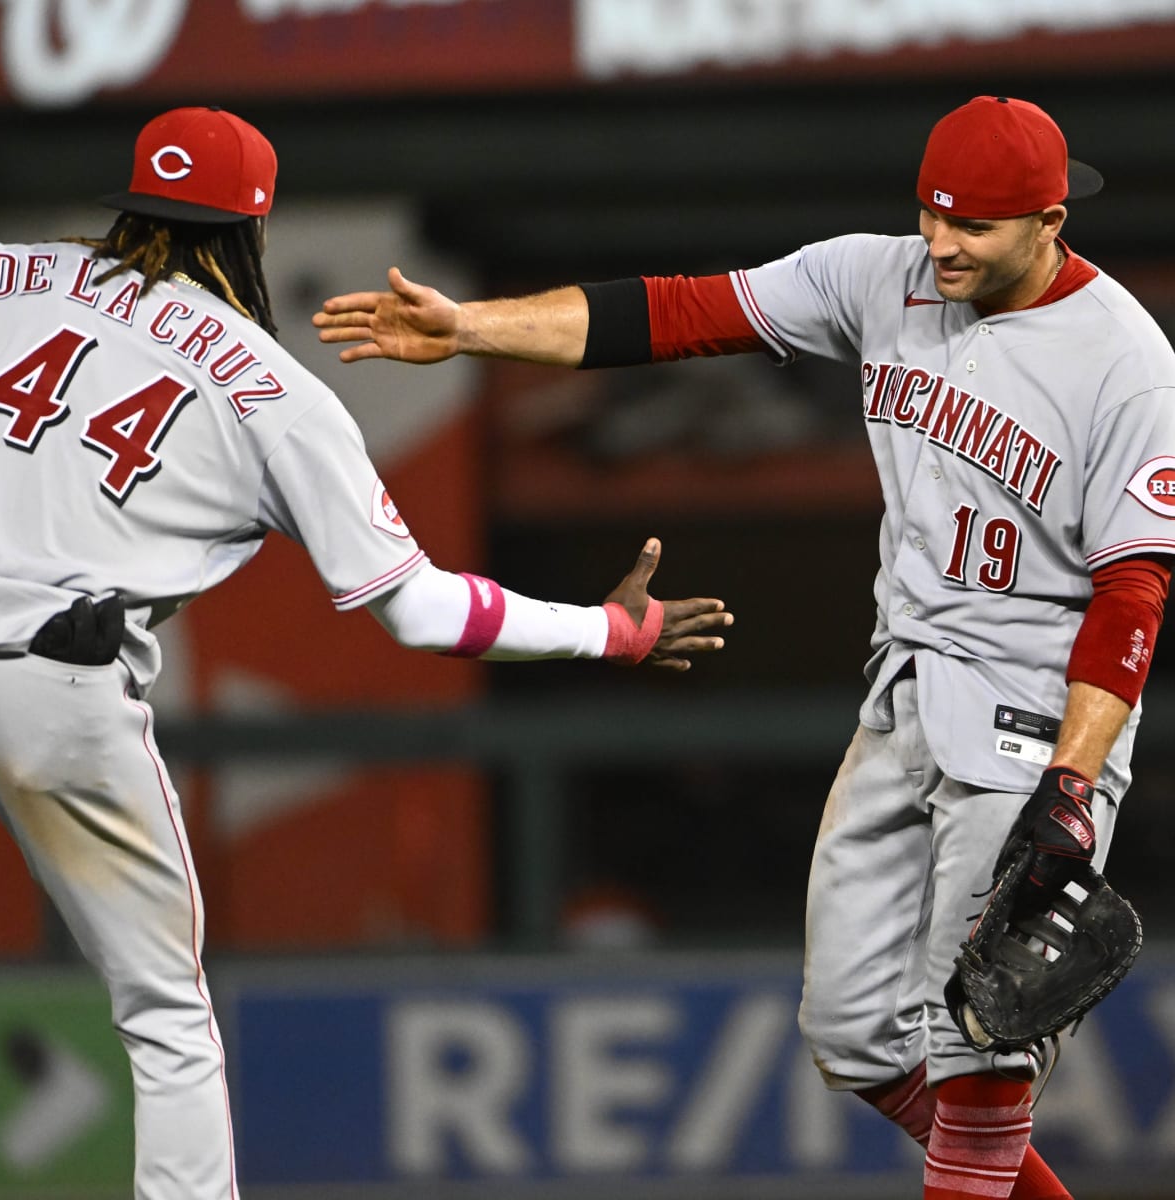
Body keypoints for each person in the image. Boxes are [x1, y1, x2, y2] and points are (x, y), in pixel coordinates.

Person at [314, 94, 1175, 1200]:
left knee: (980, 1049)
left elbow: (1135, 586)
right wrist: (473, 326)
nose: (943, 243)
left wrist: (1072, 780)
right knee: (855, 1032)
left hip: (1032, 717)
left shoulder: (1125, 362)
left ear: (1052, 219)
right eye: (931, 213)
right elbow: (675, 314)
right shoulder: (882, 276)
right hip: (905, 691)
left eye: (976, 226)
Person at [0, 106, 733, 1200]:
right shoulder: (272, 391)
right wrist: (607, 629)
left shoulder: (2, 274)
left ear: (134, 202)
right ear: (254, 231)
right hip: (55, 693)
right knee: (167, 1016)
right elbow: (420, 611)